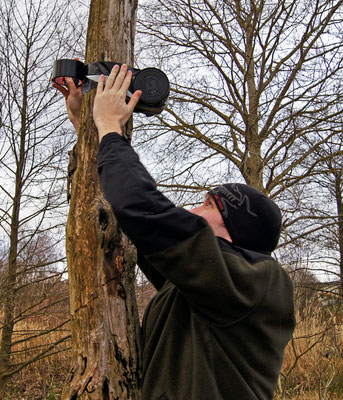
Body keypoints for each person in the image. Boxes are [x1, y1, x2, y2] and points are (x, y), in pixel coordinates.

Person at [54, 64, 296, 400]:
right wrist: (87, 128)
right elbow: (129, 220)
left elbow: (144, 211)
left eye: (208, 206)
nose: (192, 212)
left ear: (232, 231)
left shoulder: (260, 283)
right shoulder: (201, 289)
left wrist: (109, 126)